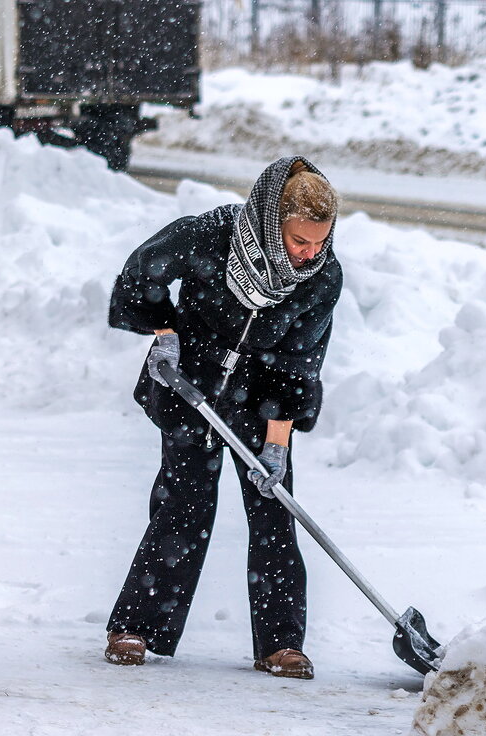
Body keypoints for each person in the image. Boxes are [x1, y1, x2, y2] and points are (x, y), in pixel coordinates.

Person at [104, 156, 342, 679]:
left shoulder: (321, 278)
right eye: (301, 242)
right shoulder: (209, 236)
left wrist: (276, 445)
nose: (310, 254)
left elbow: (301, 364)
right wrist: (164, 335)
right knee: (183, 505)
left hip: (263, 399)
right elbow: (140, 274)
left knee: (274, 512)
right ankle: (136, 627)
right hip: (192, 387)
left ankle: (280, 644)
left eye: (320, 242)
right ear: (270, 224)